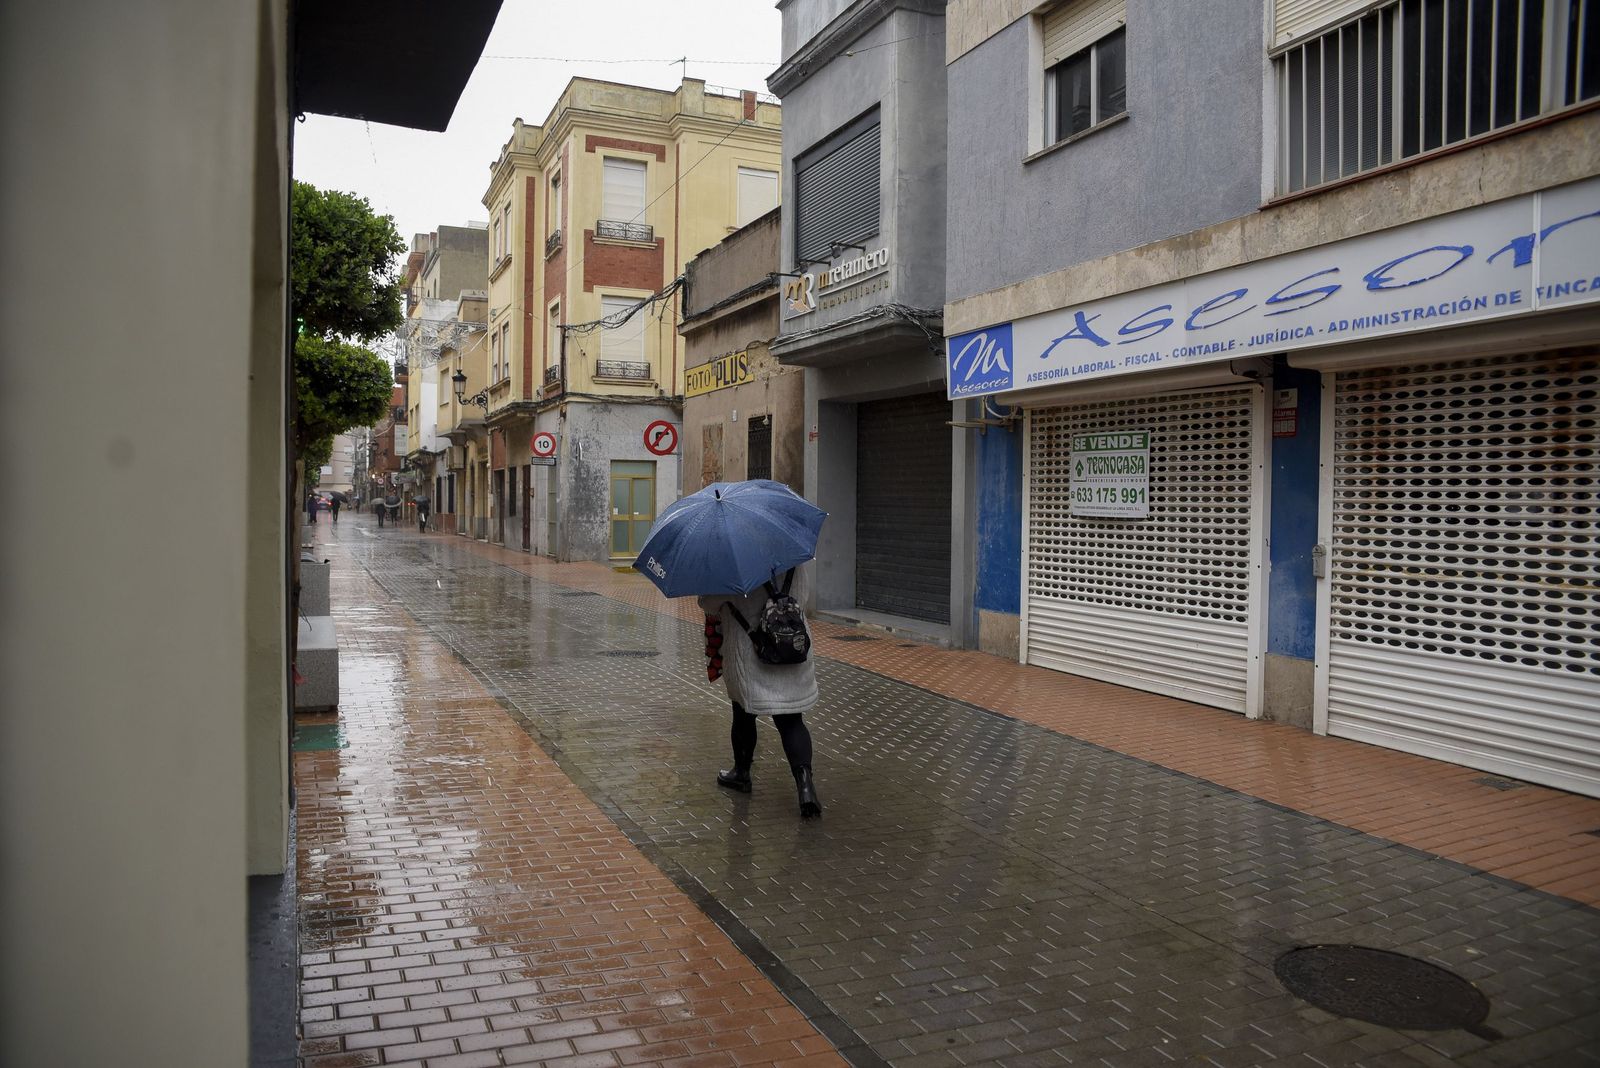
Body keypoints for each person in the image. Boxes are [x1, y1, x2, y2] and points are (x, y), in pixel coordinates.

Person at [698, 565, 821, 818]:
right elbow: (803, 596)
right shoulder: (792, 561)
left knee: (743, 713)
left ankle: (742, 773)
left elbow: (709, 604)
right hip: (792, 648)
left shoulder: (731, 566)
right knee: (792, 720)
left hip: (751, 651)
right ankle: (806, 786)